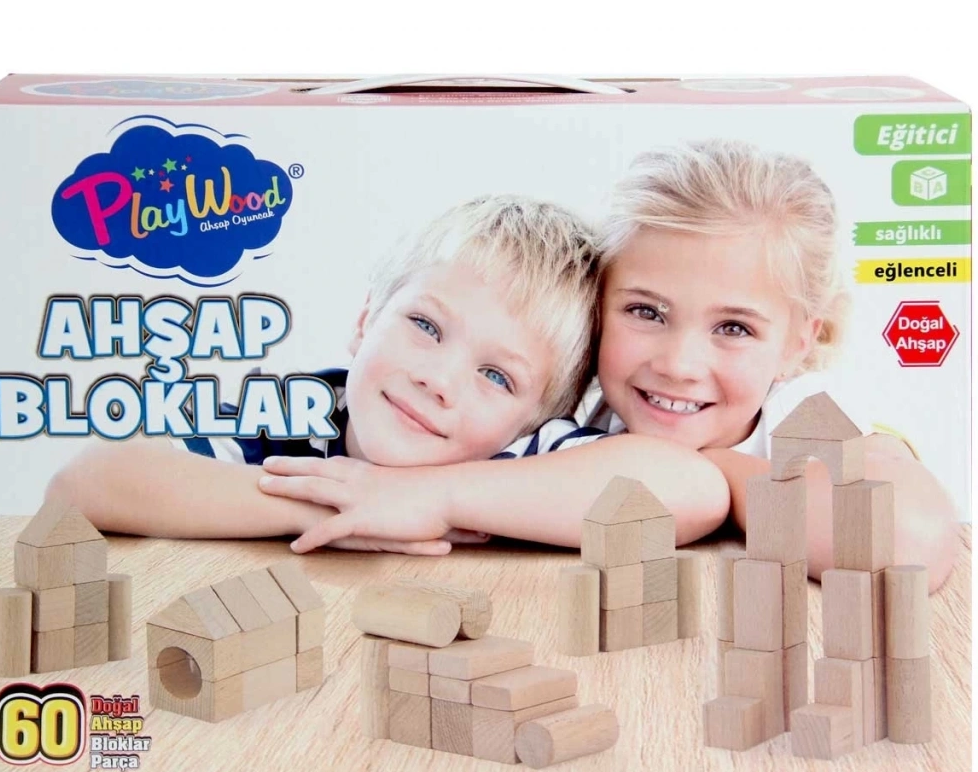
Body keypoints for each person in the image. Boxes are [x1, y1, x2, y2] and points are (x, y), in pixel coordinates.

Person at [263, 143, 959, 589]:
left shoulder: (806, 421)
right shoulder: (567, 415)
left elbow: (911, 541)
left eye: (734, 328)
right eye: (646, 312)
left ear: (801, 342)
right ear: (597, 310)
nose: (679, 363)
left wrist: (719, 475)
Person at [47, 194, 730, 552]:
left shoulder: (524, 455)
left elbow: (693, 489)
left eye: (497, 377)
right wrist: (340, 505)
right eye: (426, 326)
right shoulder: (306, 412)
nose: (439, 379)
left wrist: (432, 500)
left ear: (540, 418)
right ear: (365, 319)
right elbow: (86, 482)